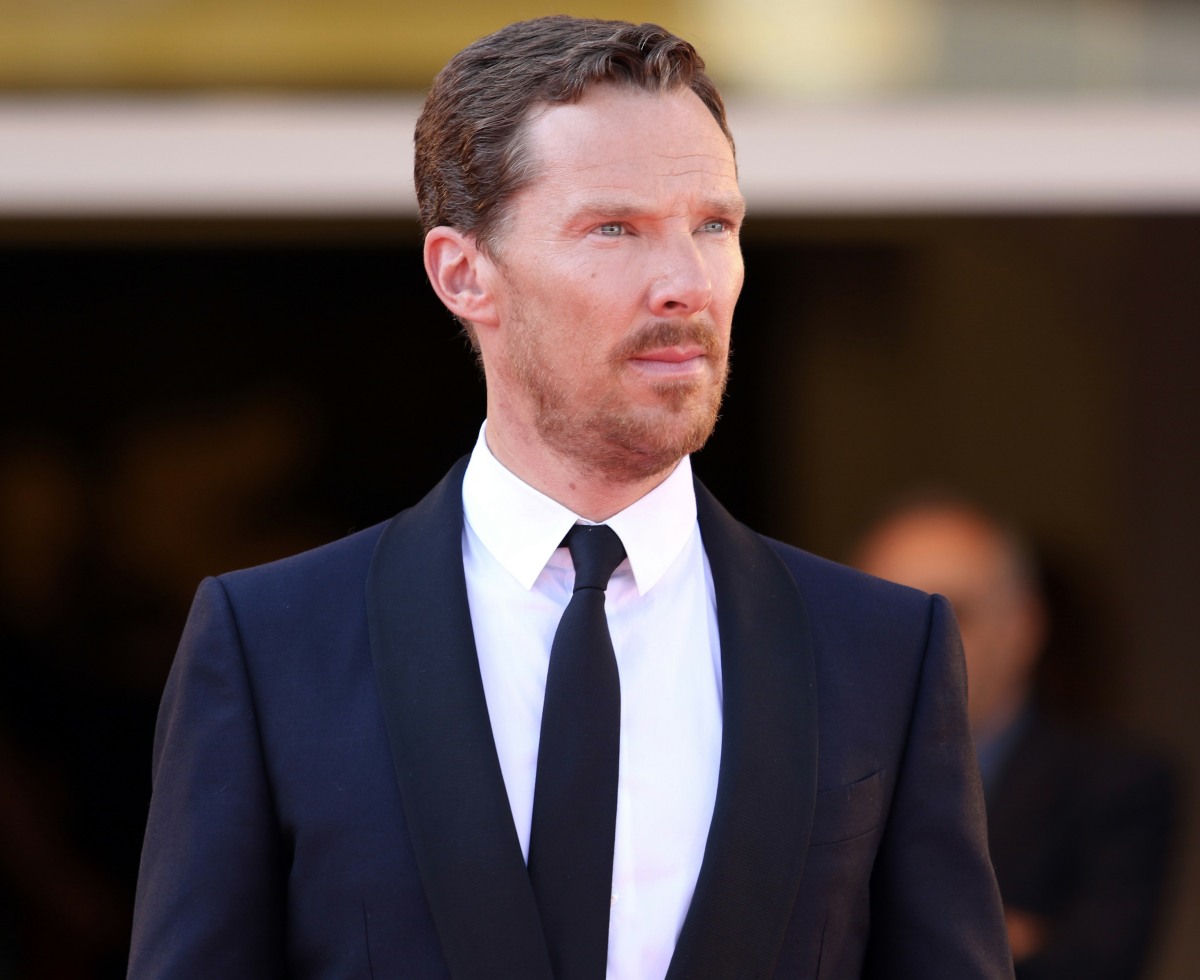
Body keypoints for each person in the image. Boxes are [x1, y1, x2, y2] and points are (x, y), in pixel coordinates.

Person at [128, 16, 1013, 979]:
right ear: (464, 274)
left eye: (714, 224)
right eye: (616, 228)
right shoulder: (271, 646)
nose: (687, 281)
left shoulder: (883, 650)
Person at [853, 496, 1178, 980]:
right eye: (880, 609)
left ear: (1022, 627)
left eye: (949, 612)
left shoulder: (1117, 783)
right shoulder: (816, 771)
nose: (907, 639)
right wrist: (1005, 934)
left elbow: (1093, 965)